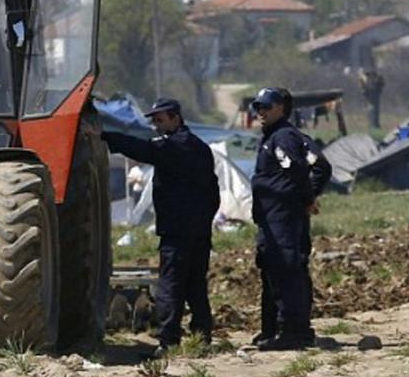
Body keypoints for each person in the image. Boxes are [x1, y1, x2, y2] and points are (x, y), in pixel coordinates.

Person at [100, 98, 220, 356]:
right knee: (195, 286)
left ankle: (169, 342)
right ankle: (202, 338)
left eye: (160, 120)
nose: (155, 126)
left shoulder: (175, 146)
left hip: (178, 231)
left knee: (171, 286)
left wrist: (104, 136)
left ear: (176, 118)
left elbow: (143, 150)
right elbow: (214, 192)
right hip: (199, 230)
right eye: (153, 121)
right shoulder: (200, 147)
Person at [249, 87, 330, 351]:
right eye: (257, 107)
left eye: (267, 106)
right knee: (275, 271)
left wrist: (307, 199)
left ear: (281, 108)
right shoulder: (274, 137)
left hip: (282, 217)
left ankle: (293, 331)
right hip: (274, 217)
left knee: (286, 271)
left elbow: (299, 168)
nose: (261, 112)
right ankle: (274, 329)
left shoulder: (283, 137)